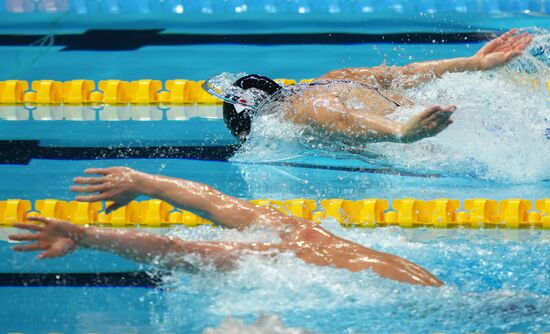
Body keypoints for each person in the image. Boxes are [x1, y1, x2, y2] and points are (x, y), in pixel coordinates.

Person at [9, 167, 442, 287]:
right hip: (421, 285)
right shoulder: (304, 234)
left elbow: (182, 248)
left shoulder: (285, 251)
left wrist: (87, 237)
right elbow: (214, 203)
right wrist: (144, 183)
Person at [215, 29, 532, 143]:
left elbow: (342, 119)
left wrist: (401, 133)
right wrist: (473, 64)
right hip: (465, 118)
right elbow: (404, 74)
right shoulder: (332, 78)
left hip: (432, 132)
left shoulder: (301, 109)